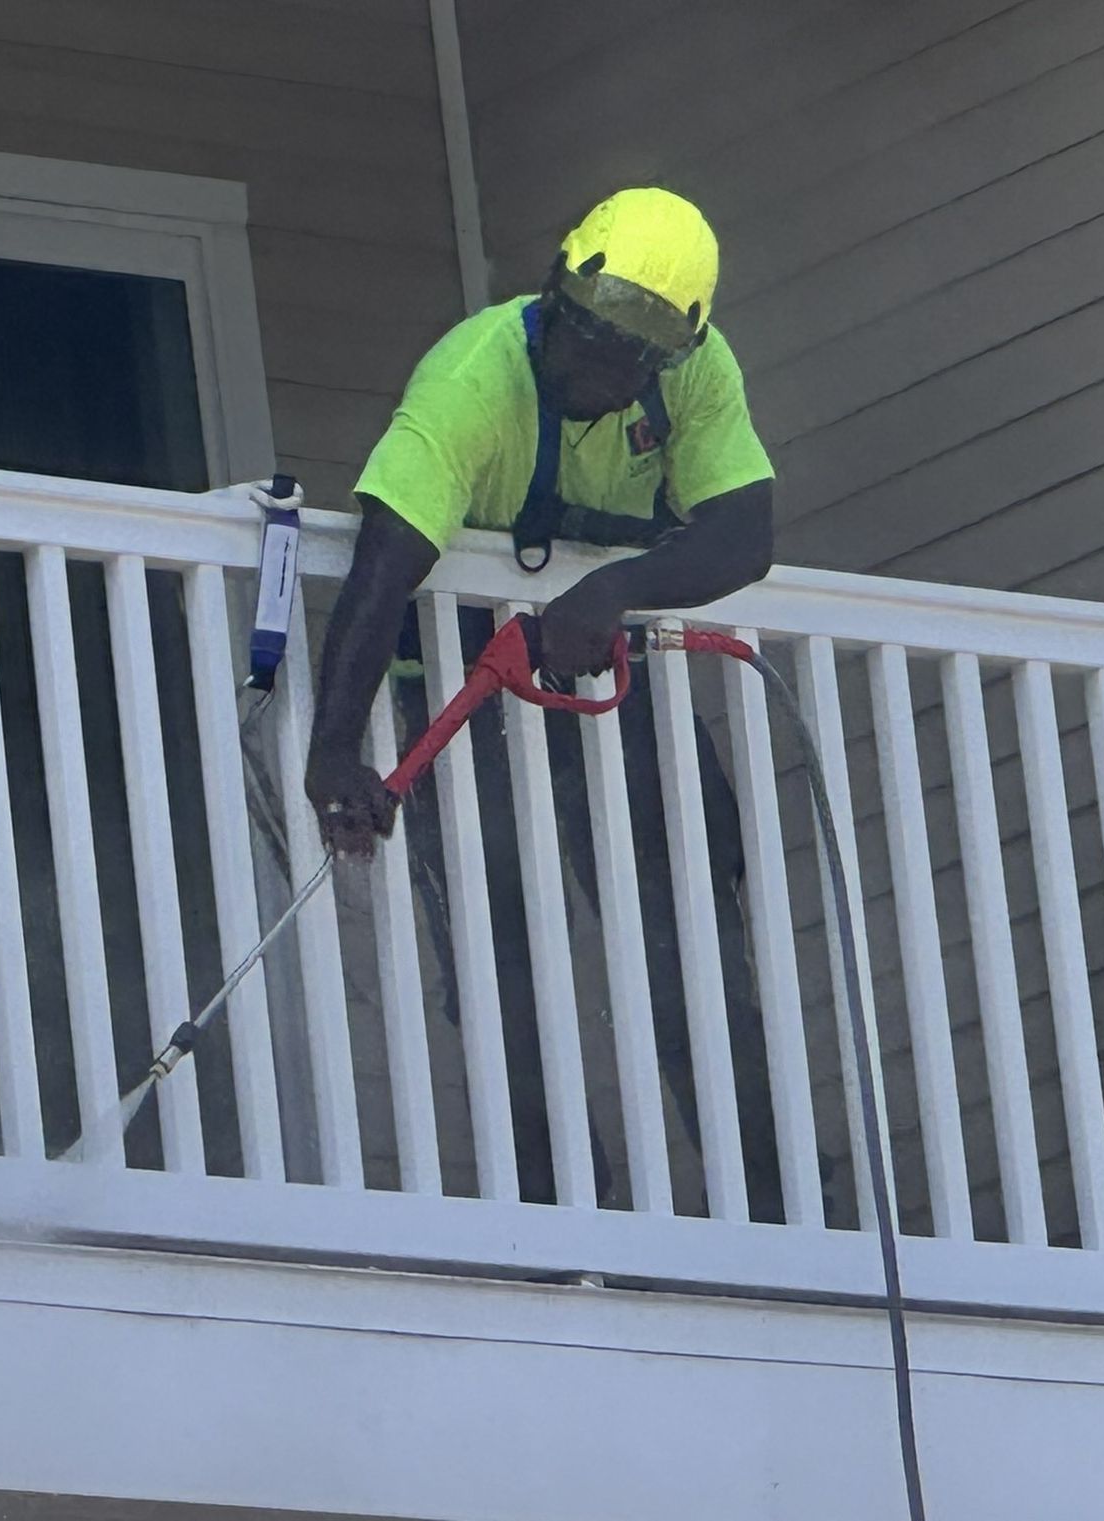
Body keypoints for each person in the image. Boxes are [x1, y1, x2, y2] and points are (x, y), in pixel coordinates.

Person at [304, 187, 786, 1216]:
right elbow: (383, 567)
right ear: (559, 297)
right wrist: (334, 754)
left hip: (608, 673)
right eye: (584, 341)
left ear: (665, 357)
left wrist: (616, 589)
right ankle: (560, 1207)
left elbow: (744, 531)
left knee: (688, 935)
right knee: (496, 957)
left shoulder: (697, 372)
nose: (593, 374)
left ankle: (772, 1200)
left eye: (625, 362)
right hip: (459, 682)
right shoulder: (474, 378)